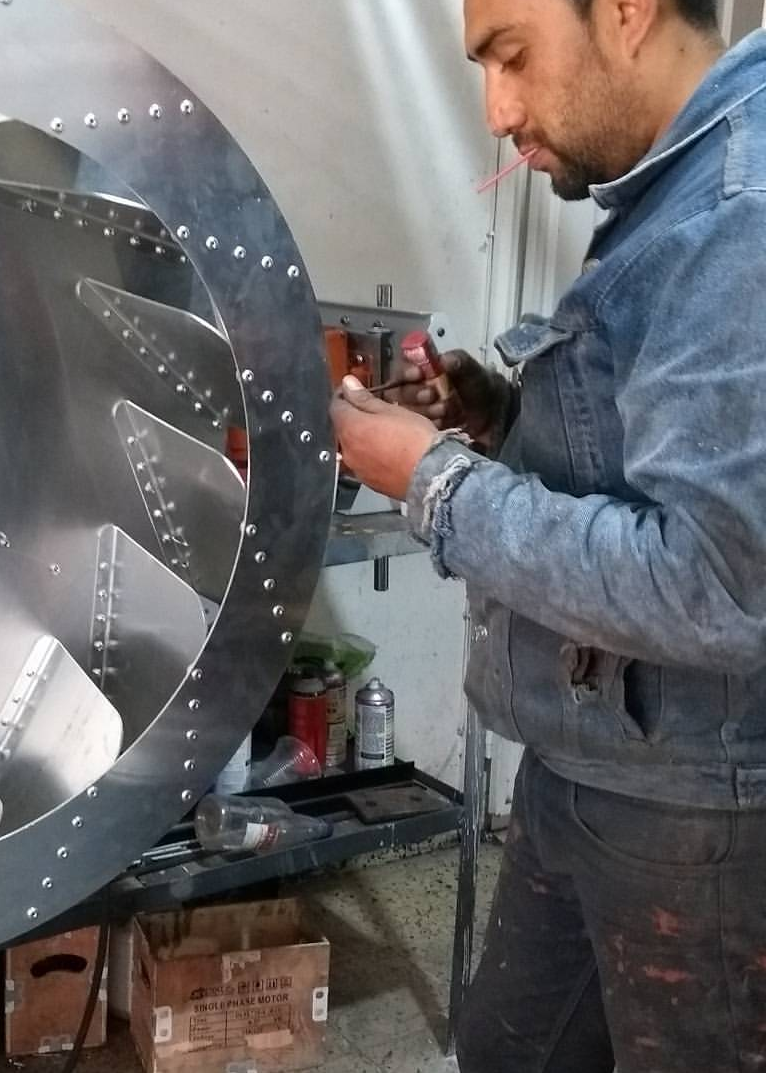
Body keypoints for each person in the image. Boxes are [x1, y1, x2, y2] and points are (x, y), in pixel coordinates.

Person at [331, 0, 766, 1070]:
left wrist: (436, 484)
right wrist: (499, 418)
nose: (497, 111)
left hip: (696, 814)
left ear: (625, 11)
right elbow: (643, 454)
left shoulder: (737, 214)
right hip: (595, 761)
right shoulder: (672, 188)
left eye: (512, 57)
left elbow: (715, 585)